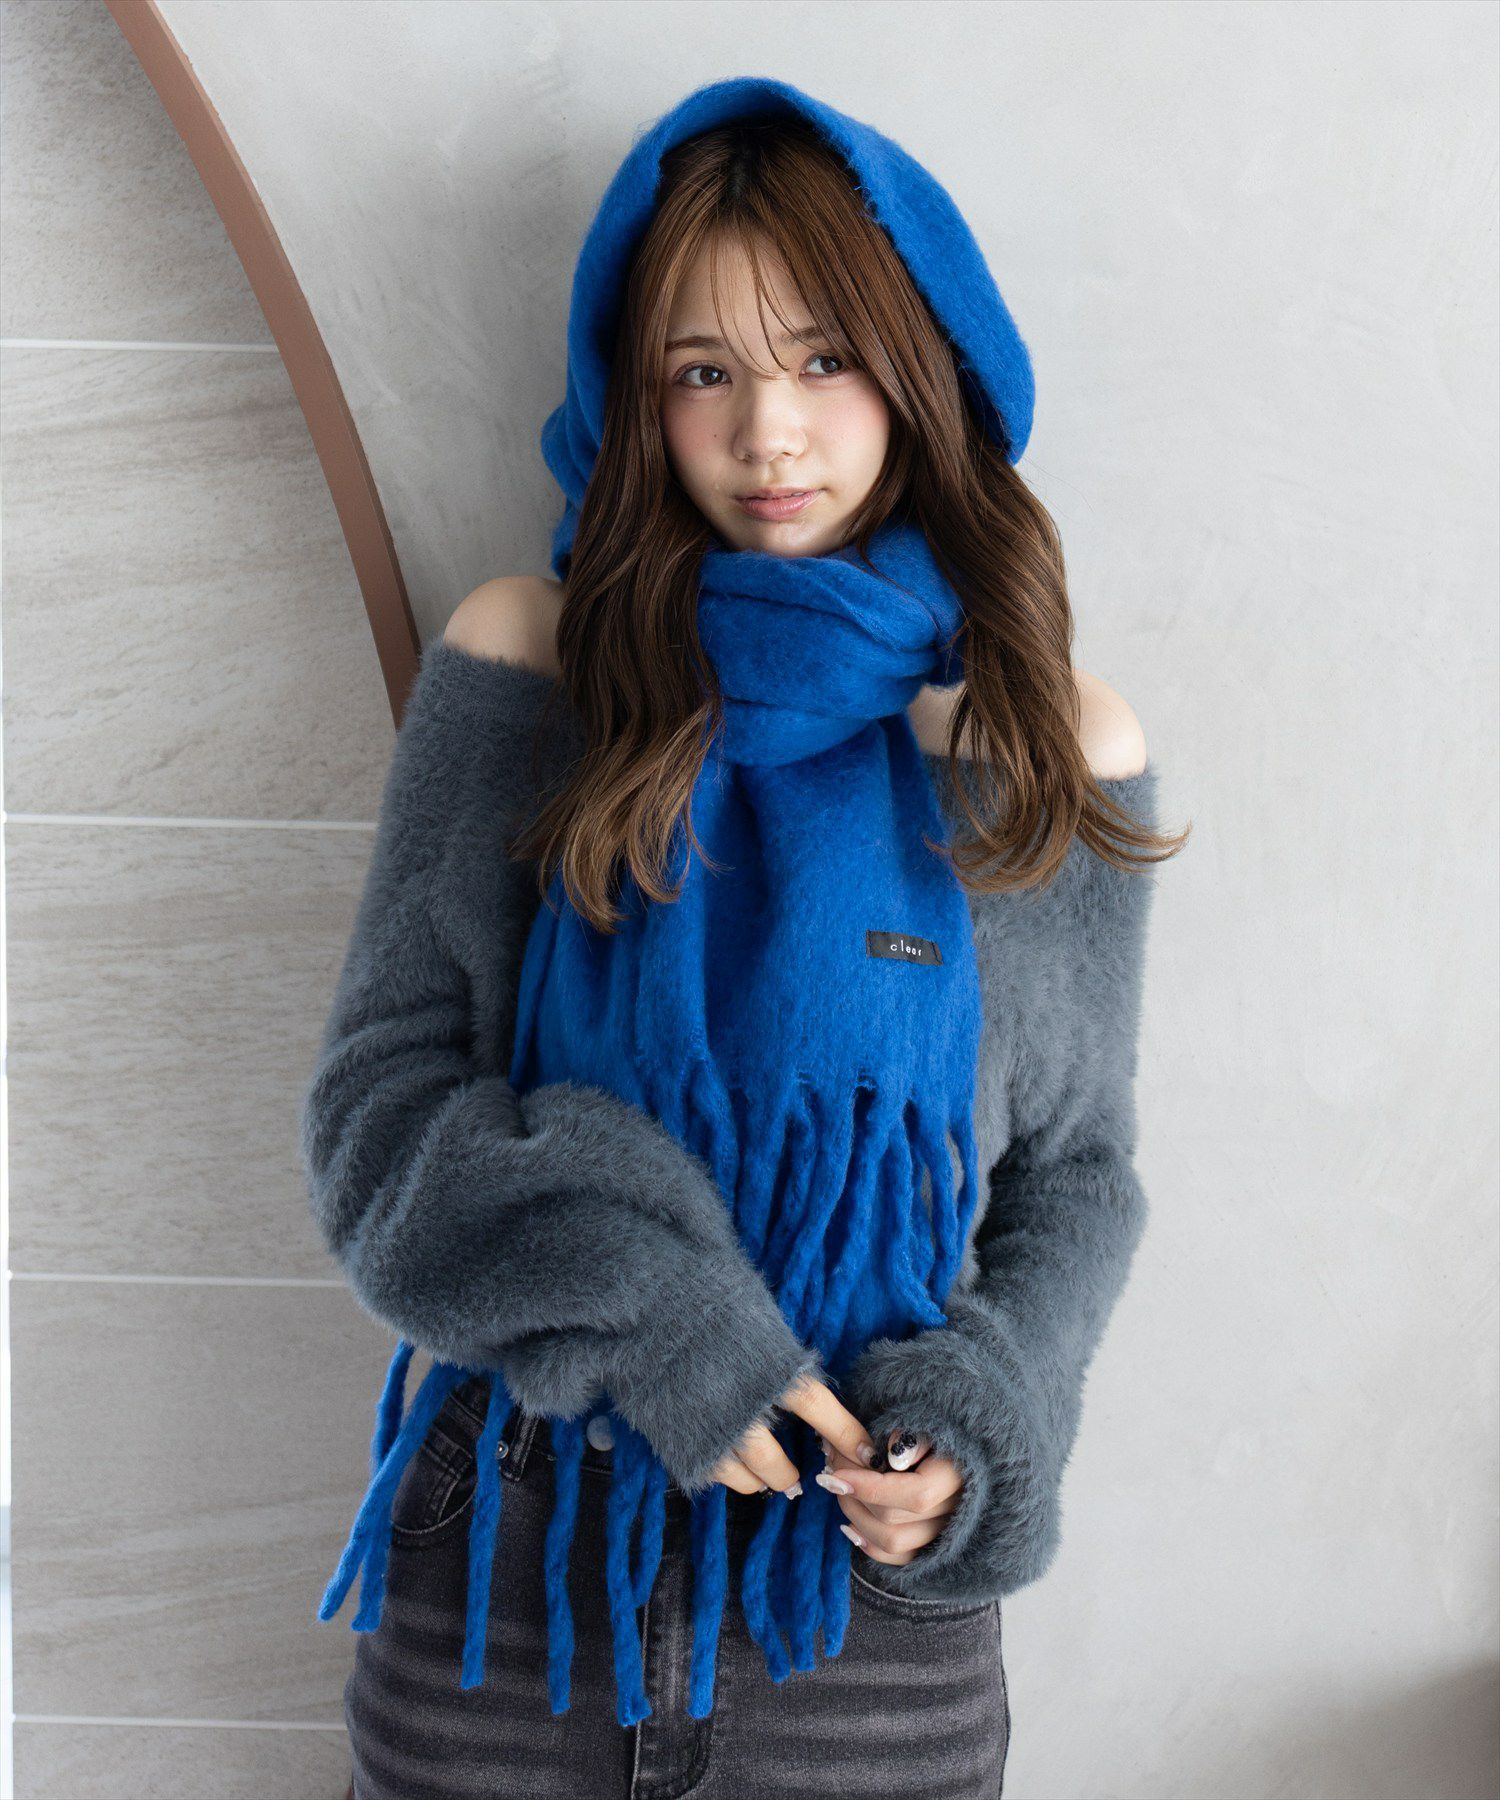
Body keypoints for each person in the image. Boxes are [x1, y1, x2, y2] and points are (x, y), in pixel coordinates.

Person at [302, 76, 1186, 1800]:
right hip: (513, 1582)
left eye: (823, 359)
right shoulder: (535, 664)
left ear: (921, 368)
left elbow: (1076, 1176)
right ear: (637, 398)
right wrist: (659, 1317)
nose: (769, 432)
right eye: (704, 372)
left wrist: (983, 1431)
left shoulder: (1042, 746)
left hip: (858, 1615)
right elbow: (380, 1113)